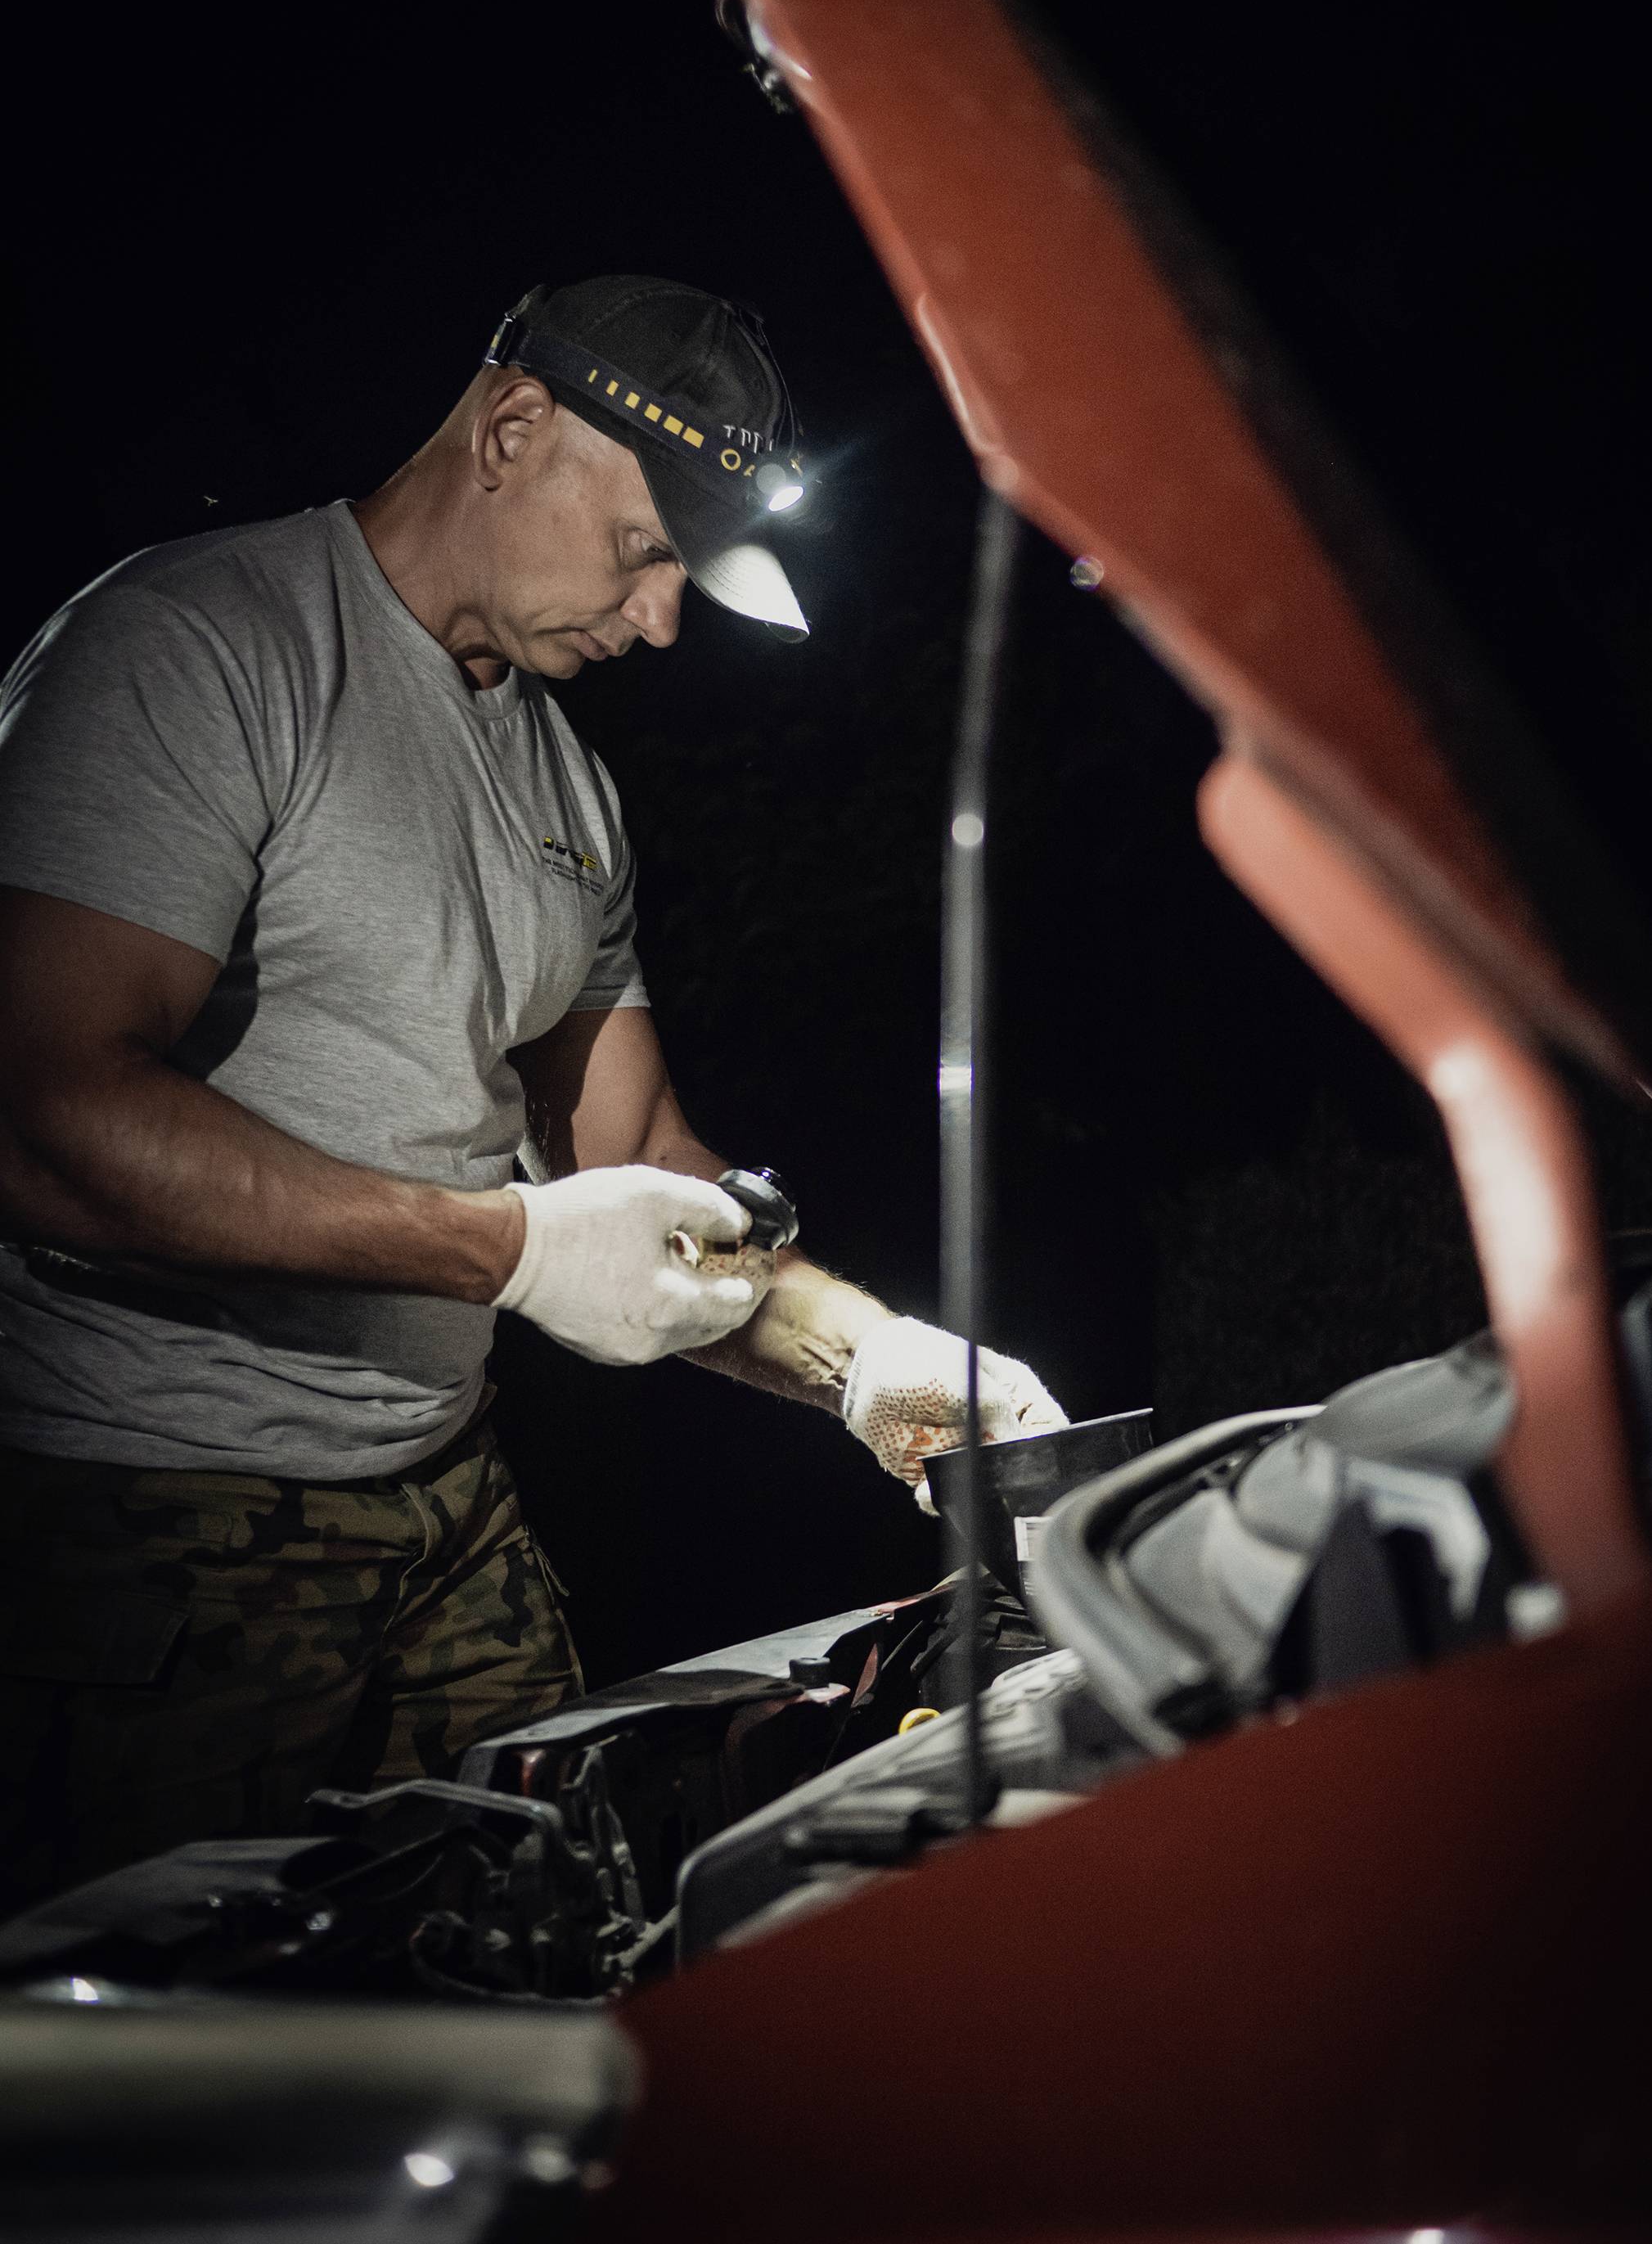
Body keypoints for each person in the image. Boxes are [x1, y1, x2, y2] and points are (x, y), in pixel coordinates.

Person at [0, 275, 1063, 1908]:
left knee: (566, 1947)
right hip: (147, 1527)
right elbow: (44, 1114)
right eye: (649, 551)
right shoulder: (197, 651)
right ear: (511, 431)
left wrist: (869, 1361)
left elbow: (631, 1159)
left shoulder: (565, 782)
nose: (661, 624)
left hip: (446, 1507)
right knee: (178, 2077)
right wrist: (505, 1250)